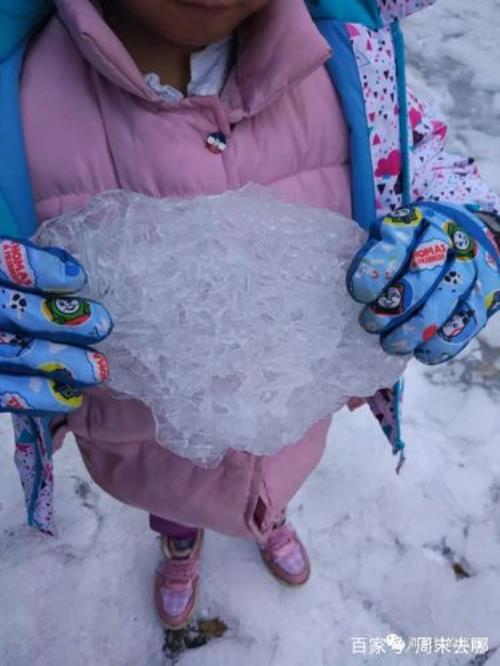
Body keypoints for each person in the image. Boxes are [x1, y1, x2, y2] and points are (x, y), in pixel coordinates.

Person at [3, 0, 497, 630]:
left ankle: (271, 519)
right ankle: (180, 544)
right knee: (177, 504)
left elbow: (420, 156)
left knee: (280, 476)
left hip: (294, 417)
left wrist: (474, 231)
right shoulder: (14, 104)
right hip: (143, 442)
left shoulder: (352, 58)